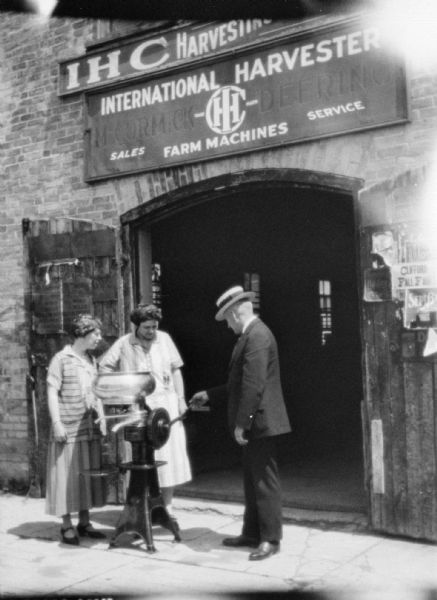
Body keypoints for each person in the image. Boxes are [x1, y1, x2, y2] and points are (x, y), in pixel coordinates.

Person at [190, 285, 291, 561]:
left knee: (264, 481)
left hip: (260, 422)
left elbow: (254, 385)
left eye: (227, 320)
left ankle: (271, 539)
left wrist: (242, 423)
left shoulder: (257, 336)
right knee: (251, 479)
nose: (227, 326)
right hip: (257, 421)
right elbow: (238, 383)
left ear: (235, 313)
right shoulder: (251, 335)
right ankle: (251, 532)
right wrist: (209, 394)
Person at [98, 304, 191, 527]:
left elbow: (176, 369)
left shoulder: (165, 339)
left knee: (169, 457)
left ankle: (167, 507)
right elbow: (104, 366)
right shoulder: (124, 344)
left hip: (166, 404)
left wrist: (180, 398)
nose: (151, 331)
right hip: (139, 408)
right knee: (141, 458)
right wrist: (121, 393)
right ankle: (142, 506)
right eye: (147, 327)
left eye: (154, 326)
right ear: (136, 326)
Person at [45, 314, 107, 546]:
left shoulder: (91, 360)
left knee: (85, 475)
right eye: (96, 334)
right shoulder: (61, 359)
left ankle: (84, 521)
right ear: (82, 333)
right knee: (66, 477)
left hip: (88, 428)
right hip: (68, 427)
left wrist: (101, 415)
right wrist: (57, 423)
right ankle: (66, 526)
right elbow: (52, 392)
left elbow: (96, 390)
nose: (99, 338)